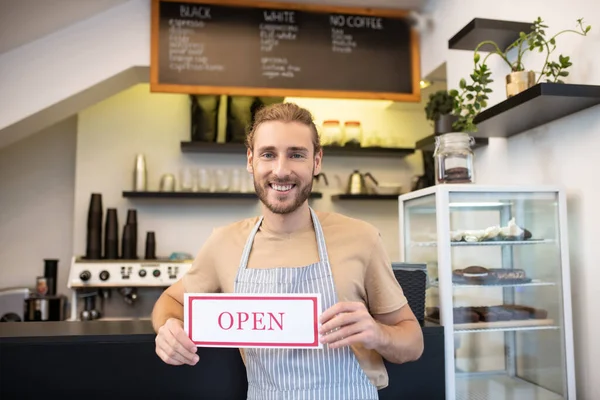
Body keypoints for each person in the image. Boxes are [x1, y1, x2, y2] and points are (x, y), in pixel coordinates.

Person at [151, 102, 424, 399]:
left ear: (316, 161)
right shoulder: (224, 243)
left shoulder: (362, 237)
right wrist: (168, 328)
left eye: (296, 154)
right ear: (250, 160)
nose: (281, 170)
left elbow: (413, 341)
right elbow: (170, 300)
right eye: (268, 154)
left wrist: (378, 333)